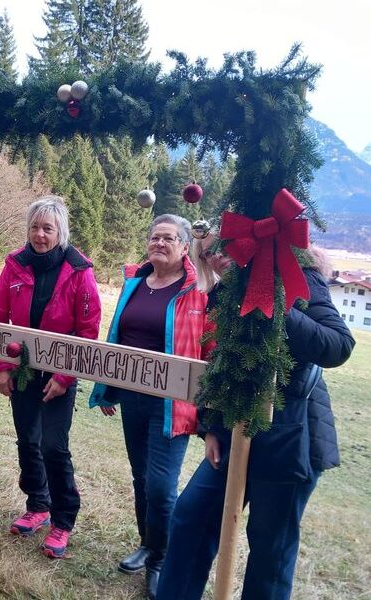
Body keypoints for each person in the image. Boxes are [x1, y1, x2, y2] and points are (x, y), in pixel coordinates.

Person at [156, 232, 356, 600]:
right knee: (191, 517)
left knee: (269, 549)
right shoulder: (221, 295)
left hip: (292, 437)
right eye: (207, 254)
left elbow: (337, 345)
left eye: (222, 246)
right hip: (233, 432)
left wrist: (268, 299)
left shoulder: (297, 276)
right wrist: (210, 427)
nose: (217, 257)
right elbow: (219, 365)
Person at [89, 214, 212, 600]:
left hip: (172, 405)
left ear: (185, 246)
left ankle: (161, 559)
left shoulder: (199, 289)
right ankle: (148, 543)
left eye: (169, 238)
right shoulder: (134, 283)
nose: (159, 243)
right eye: (155, 237)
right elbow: (117, 337)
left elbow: (208, 348)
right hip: (133, 398)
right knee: (141, 477)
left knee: (161, 486)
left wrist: (207, 407)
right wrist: (109, 386)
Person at [0, 196, 101, 558]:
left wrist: (64, 377)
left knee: (53, 446)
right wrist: (1, 367)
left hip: (61, 374)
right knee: (27, 441)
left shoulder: (79, 270)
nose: (40, 235)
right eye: (34, 227)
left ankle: (62, 521)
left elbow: (87, 331)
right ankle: (38, 504)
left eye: (48, 228)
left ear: (60, 231)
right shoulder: (15, 264)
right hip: (22, 370)